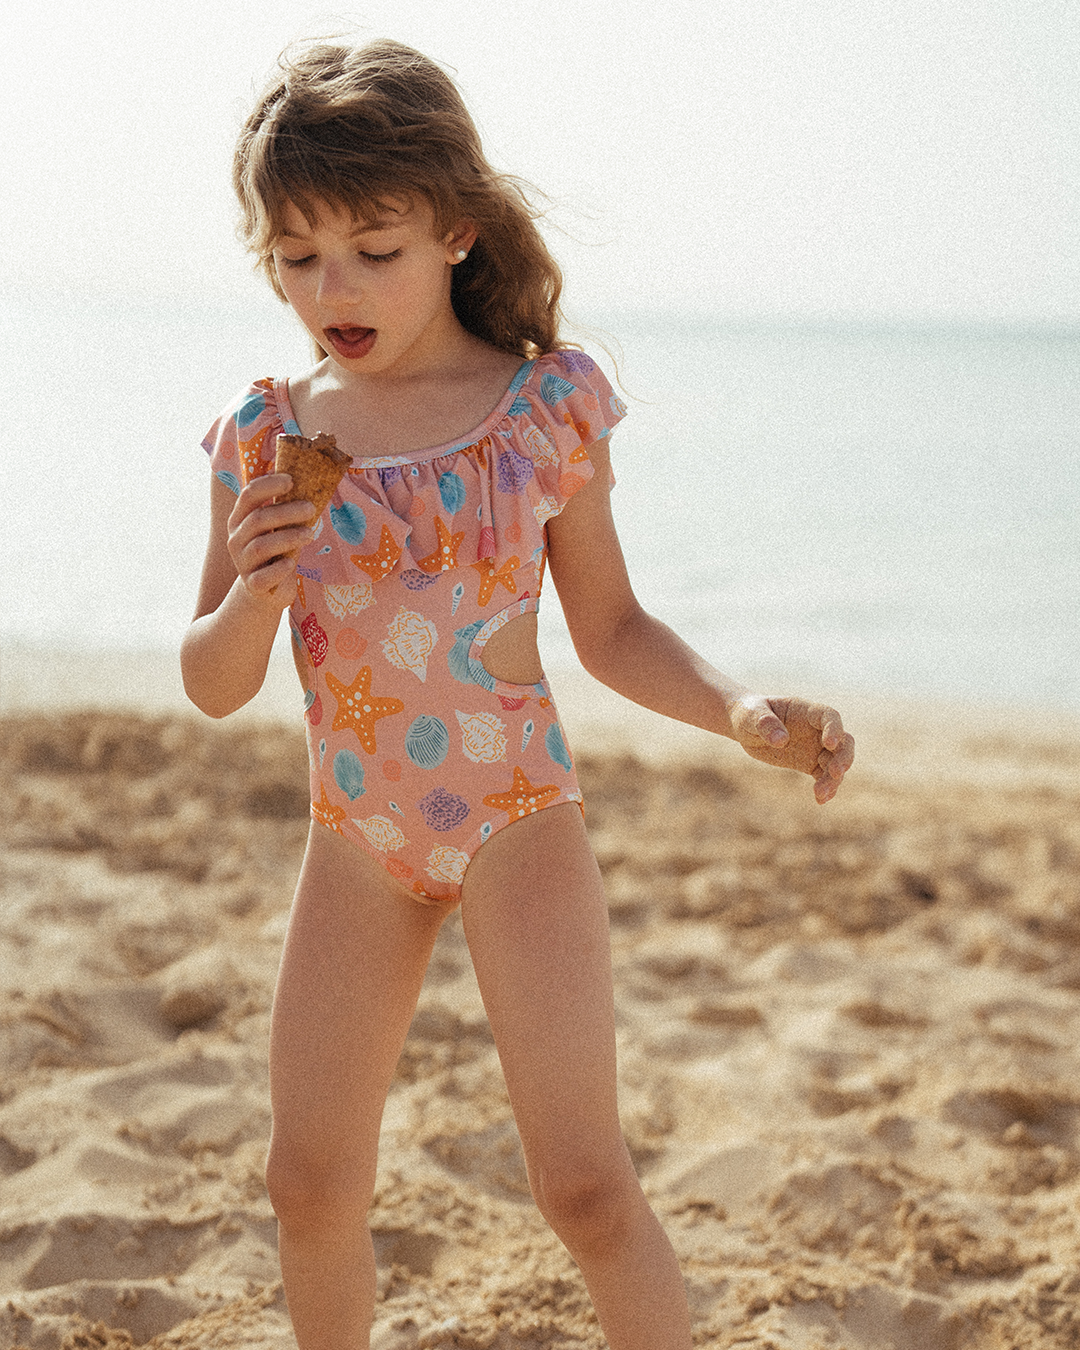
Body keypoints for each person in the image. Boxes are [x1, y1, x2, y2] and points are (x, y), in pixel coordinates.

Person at [181, 37, 855, 1350]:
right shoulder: (268, 436)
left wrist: (740, 711)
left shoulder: (536, 410)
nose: (337, 288)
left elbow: (611, 626)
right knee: (307, 1181)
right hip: (357, 840)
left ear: (455, 231)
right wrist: (257, 591)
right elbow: (212, 684)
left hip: (515, 824)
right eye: (300, 254)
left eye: (375, 249)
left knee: (585, 1184)